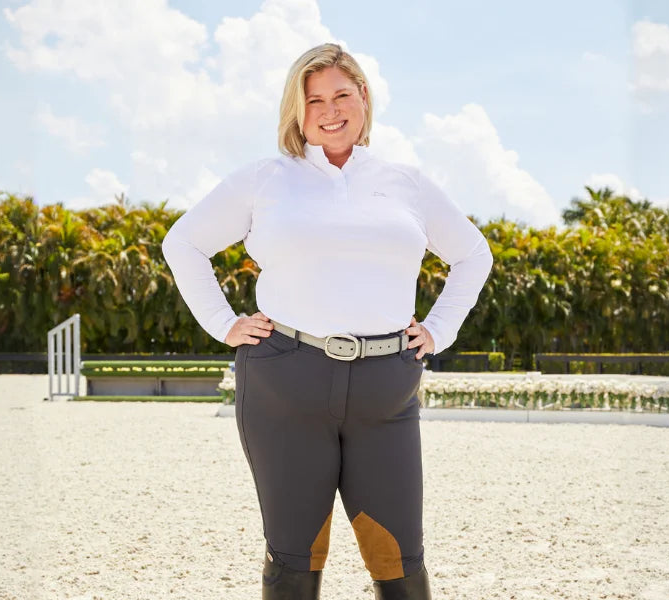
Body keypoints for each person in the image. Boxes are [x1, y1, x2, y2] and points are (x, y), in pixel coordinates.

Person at [162, 43, 493, 600]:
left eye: (341, 94)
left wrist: (440, 329)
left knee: (400, 556)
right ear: (296, 109)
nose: (330, 110)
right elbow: (184, 243)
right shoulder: (266, 178)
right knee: (294, 553)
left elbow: (473, 254)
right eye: (314, 100)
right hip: (285, 384)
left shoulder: (405, 182)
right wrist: (223, 322)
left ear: (363, 95)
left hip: (385, 390)